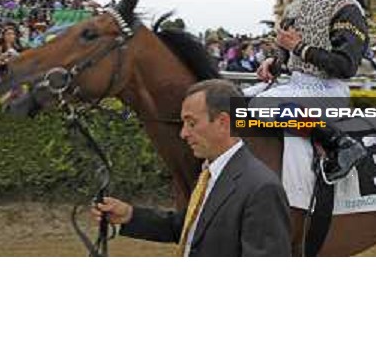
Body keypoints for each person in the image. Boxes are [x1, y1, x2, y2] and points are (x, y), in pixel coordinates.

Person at [92, 79, 292, 257]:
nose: (183, 134)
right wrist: (129, 215)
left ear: (223, 122)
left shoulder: (261, 188)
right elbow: (190, 230)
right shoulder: (210, 173)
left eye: (191, 123)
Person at [244, 0, 370, 182]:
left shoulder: (345, 4)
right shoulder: (293, 7)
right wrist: (275, 64)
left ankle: (341, 144)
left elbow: (346, 66)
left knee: (261, 106)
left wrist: (300, 48)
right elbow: (293, 60)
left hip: (328, 90)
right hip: (296, 87)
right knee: (235, 98)